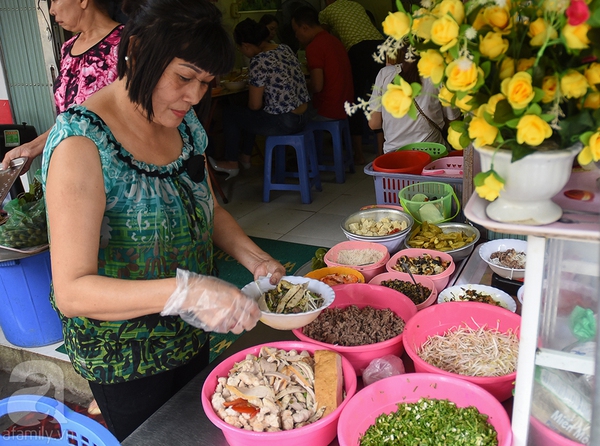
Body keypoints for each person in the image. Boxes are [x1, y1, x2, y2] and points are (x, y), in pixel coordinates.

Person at [41, 0, 285, 440]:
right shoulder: (81, 144)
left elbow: (207, 207)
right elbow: (73, 291)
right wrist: (188, 291)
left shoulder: (185, 124)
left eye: (204, 83)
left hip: (191, 334)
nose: (194, 96)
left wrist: (255, 258)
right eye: (184, 77)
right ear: (136, 50)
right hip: (124, 358)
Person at [1, 0, 124, 172]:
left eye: (55, 0)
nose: (51, 10)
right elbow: (70, 119)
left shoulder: (128, 45)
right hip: (75, 170)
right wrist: (32, 147)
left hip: (117, 173)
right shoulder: (68, 49)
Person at [209, 18, 310, 178]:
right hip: (303, 116)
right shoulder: (284, 49)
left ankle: (232, 163)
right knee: (251, 114)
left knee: (232, 113)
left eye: (240, 48)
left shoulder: (259, 61)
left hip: (285, 121)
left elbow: (254, 105)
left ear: (246, 45)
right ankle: (246, 157)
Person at [318, 0, 384, 164]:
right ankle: (381, 153)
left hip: (358, 51)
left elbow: (323, 39)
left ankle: (359, 155)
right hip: (380, 46)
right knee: (378, 99)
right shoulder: (355, 5)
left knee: (356, 101)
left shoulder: (325, 13)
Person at [368, 52, 460, 154]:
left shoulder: (385, 74)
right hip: (432, 153)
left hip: (394, 156)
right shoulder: (438, 76)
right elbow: (454, 124)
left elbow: (374, 124)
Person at [291, 5, 353, 121]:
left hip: (328, 110)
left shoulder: (314, 46)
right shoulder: (334, 40)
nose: (296, 36)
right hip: (346, 106)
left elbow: (317, 86)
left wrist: (302, 85)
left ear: (304, 28)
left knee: (292, 115)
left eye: (296, 31)